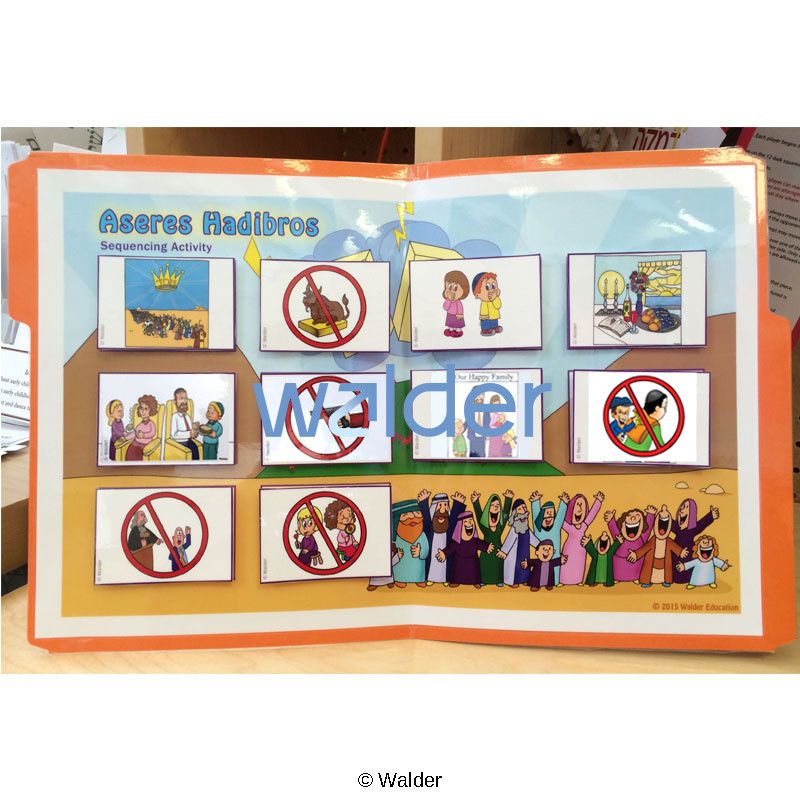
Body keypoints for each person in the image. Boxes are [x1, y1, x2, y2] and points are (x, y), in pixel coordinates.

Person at [626, 505, 688, 588]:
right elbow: (644, 548)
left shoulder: (668, 541)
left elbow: (674, 547)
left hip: (664, 564)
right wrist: (636, 554)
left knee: (665, 573)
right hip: (652, 563)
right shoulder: (653, 540)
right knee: (650, 573)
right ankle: (648, 581)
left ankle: (666, 581)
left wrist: (681, 552)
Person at [417, 489, 466, 586]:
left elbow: (455, 519)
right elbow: (426, 519)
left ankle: (446, 579)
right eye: (440, 505)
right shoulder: (430, 526)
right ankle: (430, 578)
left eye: (445, 505)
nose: (442, 509)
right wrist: (423, 502)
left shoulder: (449, 526)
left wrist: (458, 504)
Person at [435, 510, 494, 589]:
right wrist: (443, 553)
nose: (469, 523)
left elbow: (481, 544)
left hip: (472, 565)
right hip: (459, 565)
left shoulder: (475, 540)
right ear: (460, 527)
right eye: (465, 521)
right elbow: (450, 548)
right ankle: (456, 581)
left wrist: (487, 547)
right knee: (457, 573)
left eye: (470, 520)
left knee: (474, 573)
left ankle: (475, 582)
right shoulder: (456, 542)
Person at [670, 499, 720, 584]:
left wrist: (711, 515)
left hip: (689, 555)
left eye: (686, 507)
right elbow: (668, 522)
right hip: (675, 554)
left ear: (691, 513)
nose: (682, 508)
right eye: (682, 506)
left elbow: (702, 524)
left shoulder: (692, 529)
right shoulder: (677, 527)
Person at [559, 492, 605, 585]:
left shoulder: (584, 525)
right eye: (577, 505)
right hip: (569, 551)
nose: (579, 509)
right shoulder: (569, 527)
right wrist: (563, 503)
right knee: (566, 565)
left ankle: (578, 580)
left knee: (579, 565)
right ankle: (563, 580)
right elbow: (559, 520)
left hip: (581, 552)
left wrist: (598, 501)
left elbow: (592, 514)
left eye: (582, 506)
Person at [472, 489, 513, 587]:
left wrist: (508, 499)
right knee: (484, 563)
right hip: (486, 552)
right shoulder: (484, 526)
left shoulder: (500, 525)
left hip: (498, 551)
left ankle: (499, 580)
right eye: (492, 505)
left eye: (498, 505)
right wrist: (475, 501)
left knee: (499, 564)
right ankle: (483, 579)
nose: (495, 507)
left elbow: (506, 513)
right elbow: (479, 514)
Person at [606, 506, 656, 583]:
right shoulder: (620, 538)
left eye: (637, 515)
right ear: (622, 525)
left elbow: (648, 529)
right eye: (629, 516)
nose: (633, 518)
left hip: (636, 572)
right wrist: (611, 520)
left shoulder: (642, 538)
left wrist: (651, 515)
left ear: (642, 526)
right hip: (618, 572)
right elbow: (614, 529)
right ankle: (617, 578)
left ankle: (635, 577)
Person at [530, 491, 569, 585]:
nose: (549, 516)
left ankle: (555, 582)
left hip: (555, 557)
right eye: (547, 513)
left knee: (554, 571)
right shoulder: (538, 528)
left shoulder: (556, 526)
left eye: (551, 514)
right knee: (538, 571)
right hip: (540, 558)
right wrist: (535, 501)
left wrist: (564, 503)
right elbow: (536, 515)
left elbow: (560, 516)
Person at [497, 498, 539, 588]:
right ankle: (514, 581)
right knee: (516, 568)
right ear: (515, 513)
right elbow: (509, 540)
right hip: (515, 555)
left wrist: (539, 546)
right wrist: (504, 551)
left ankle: (525, 579)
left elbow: (532, 538)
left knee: (525, 565)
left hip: (525, 553)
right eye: (520, 509)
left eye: (524, 507)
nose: (523, 510)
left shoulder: (526, 528)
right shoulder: (514, 528)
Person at [391, 499, 429, 587]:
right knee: (400, 572)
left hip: (418, 570)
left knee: (418, 572)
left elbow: (426, 549)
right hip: (400, 568)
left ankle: (419, 580)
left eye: (416, 513)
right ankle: (399, 579)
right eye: (406, 515)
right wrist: (396, 555)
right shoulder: (395, 538)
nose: (413, 518)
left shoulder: (422, 535)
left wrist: (420, 552)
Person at [124, 394, 159, 461]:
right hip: (135, 444)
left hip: (145, 446)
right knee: (130, 452)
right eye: (141, 408)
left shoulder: (151, 424)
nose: (143, 411)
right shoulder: (139, 425)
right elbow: (135, 433)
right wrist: (127, 437)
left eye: (146, 409)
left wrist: (143, 435)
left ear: (151, 410)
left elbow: (152, 433)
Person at [170, 387, 200, 460]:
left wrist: (195, 428)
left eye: (186, 398)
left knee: (195, 449)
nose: (184, 401)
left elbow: (190, 429)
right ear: (175, 401)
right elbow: (174, 434)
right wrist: (189, 433)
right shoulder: (175, 417)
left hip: (188, 441)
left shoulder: (187, 416)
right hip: (179, 442)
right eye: (181, 398)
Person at [472, 271, 502, 336]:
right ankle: (485, 330)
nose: (491, 290)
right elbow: (483, 310)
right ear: (477, 294)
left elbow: (498, 306)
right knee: (486, 322)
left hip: (494, 315)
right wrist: (483, 316)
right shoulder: (484, 302)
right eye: (487, 287)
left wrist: (495, 297)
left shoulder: (496, 298)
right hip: (486, 316)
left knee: (494, 321)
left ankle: (495, 327)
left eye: (493, 286)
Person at [442, 269, 469, 338]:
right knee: (450, 323)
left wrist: (460, 314)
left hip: (457, 315)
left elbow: (460, 308)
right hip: (450, 314)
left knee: (457, 324)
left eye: (455, 288)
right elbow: (445, 307)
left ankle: (458, 331)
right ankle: (450, 330)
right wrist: (449, 300)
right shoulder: (448, 300)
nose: (451, 291)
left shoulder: (458, 302)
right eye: (448, 287)